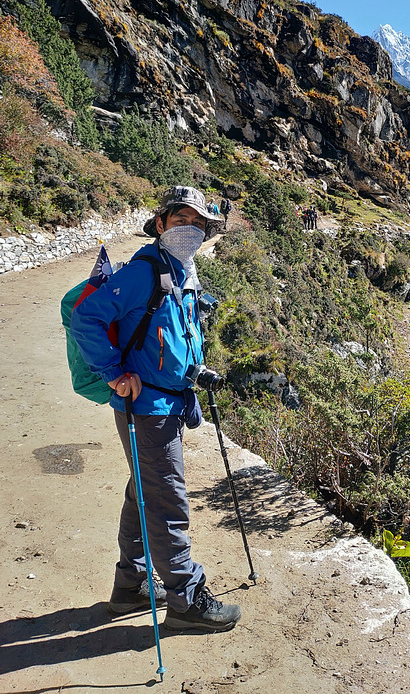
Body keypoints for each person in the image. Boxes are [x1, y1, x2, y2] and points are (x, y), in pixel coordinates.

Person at [70, 185, 241, 632]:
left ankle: (133, 583)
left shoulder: (182, 269)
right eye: (180, 219)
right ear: (161, 223)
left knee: (143, 489)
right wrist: (112, 372)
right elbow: (86, 317)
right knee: (166, 499)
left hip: (169, 401)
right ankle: (185, 600)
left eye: (198, 223)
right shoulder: (144, 271)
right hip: (145, 406)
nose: (190, 228)